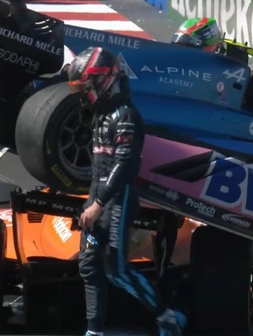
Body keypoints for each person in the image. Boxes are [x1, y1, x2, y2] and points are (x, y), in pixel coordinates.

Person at [67, 47, 187, 336]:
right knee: (89, 266)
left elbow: (126, 165)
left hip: (117, 200)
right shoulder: (101, 113)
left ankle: (168, 318)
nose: (82, 93)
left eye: (85, 86)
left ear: (103, 81)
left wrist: (98, 204)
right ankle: (94, 331)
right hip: (97, 197)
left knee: (117, 270)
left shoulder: (126, 116)